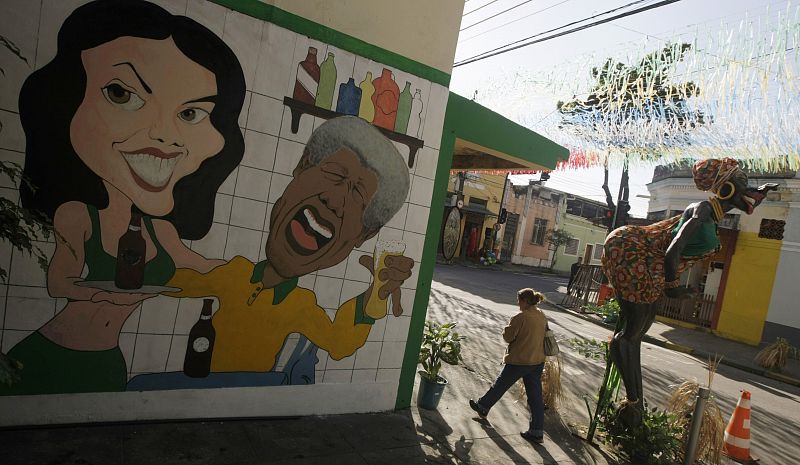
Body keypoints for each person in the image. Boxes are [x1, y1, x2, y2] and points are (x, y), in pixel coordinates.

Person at [2, 0, 245, 395]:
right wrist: (100, 292)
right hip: (51, 352)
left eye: (191, 114)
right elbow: (58, 282)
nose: (166, 137)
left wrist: (246, 274)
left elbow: (198, 265)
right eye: (121, 93)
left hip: (108, 360)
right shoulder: (78, 215)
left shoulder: (160, 229)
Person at [164, 116, 414, 373]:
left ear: (364, 235)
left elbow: (337, 342)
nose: (335, 200)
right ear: (303, 166)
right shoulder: (234, 273)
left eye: (358, 195)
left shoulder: (302, 307)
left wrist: (374, 296)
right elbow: (177, 281)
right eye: (334, 174)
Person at [601, 158, 778, 425]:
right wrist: (674, 289)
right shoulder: (703, 209)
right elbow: (673, 250)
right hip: (631, 251)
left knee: (636, 334)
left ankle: (633, 403)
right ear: (727, 188)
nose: (750, 191)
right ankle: (633, 403)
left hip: (651, 265)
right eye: (743, 184)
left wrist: (755, 192)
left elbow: (747, 201)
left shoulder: (714, 215)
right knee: (630, 335)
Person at [469, 288, 548, 443]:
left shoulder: (521, 317)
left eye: (518, 300)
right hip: (537, 360)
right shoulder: (541, 315)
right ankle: (537, 432)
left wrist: (506, 328)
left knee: (500, 385)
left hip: (520, 360)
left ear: (525, 301)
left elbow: (508, 337)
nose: (517, 303)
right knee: (535, 398)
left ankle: (483, 406)